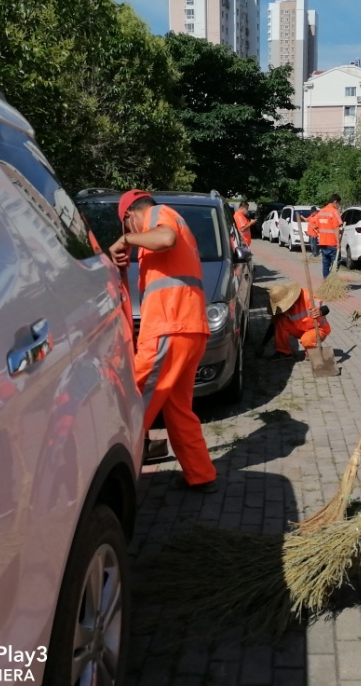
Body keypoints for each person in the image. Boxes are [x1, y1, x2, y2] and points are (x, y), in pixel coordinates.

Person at [109, 190, 218, 493]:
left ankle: (109, 485)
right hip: (189, 330)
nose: (128, 234)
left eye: (125, 227)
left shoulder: (159, 215)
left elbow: (165, 238)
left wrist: (128, 240)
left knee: (130, 404)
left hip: (169, 330)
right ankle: (202, 475)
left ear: (129, 216)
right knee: (178, 410)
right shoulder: (176, 228)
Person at [257, 282, 331, 360]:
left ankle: (311, 351)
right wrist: (263, 344)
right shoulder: (281, 309)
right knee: (279, 320)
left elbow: (326, 308)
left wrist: (320, 312)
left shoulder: (306, 296)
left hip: (317, 329)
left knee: (306, 340)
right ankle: (284, 352)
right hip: (299, 329)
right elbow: (273, 325)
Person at [306, 194, 343, 278]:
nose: (338, 206)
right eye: (338, 204)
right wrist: (338, 242)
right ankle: (330, 280)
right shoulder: (334, 212)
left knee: (325, 264)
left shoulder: (321, 212)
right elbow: (336, 227)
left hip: (323, 242)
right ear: (335, 202)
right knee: (336, 263)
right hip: (332, 242)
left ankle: (326, 280)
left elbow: (316, 226)